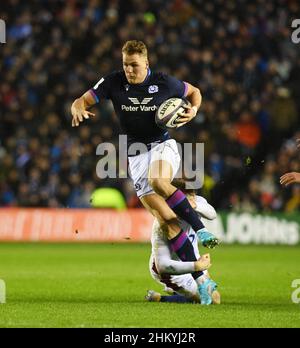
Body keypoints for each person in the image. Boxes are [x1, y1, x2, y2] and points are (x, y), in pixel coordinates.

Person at [71, 40, 219, 269]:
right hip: (136, 155)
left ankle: (200, 229)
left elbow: (194, 92)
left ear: (146, 62)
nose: (129, 70)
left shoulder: (163, 82)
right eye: (125, 64)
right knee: (166, 222)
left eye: (134, 65)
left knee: (158, 180)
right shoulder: (114, 81)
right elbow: (83, 100)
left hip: (162, 144)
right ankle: (201, 279)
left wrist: (194, 110)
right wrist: (77, 107)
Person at [146, 179, 220, 305]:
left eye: (194, 193)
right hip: (172, 270)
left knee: (215, 297)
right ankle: (165, 295)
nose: (193, 197)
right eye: (188, 194)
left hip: (193, 259)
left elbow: (212, 214)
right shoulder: (162, 224)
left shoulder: (196, 202)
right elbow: (162, 266)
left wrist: (195, 206)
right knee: (213, 299)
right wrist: (197, 266)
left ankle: (169, 295)